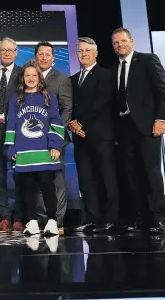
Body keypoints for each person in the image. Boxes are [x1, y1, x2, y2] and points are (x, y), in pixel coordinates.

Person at [112, 27, 165, 234]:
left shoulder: (147, 60)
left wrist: (161, 119)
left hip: (148, 126)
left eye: (123, 41)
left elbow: (163, 90)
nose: (120, 45)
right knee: (131, 174)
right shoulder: (114, 67)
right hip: (125, 128)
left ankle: (156, 218)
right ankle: (139, 217)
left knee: (151, 172)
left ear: (132, 41)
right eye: (116, 43)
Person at [4, 60, 64, 236]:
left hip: (44, 150)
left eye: (34, 75)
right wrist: (10, 148)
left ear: (39, 77)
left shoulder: (49, 96)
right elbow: (12, 125)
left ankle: (52, 221)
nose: (31, 78)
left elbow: (56, 121)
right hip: (24, 151)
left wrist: (55, 145)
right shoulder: (16, 98)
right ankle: (32, 222)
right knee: (28, 188)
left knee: (47, 185)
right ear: (23, 78)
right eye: (27, 75)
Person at [69, 37, 118, 234]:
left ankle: (110, 219)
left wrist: (81, 122)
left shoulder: (106, 75)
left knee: (107, 178)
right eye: (80, 51)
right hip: (80, 138)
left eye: (88, 50)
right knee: (86, 179)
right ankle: (91, 218)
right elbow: (69, 106)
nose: (84, 54)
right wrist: (72, 123)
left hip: (101, 135)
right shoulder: (72, 79)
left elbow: (101, 103)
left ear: (96, 53)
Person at [34, 42, 72, 235]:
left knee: (56, 181)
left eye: (47, 54)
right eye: (41, 54)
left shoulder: (62, 79)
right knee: (39, 182)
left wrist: (55, 134)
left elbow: (67, 110)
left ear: (53, 57)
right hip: (33, 141)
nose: (44, 57)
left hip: (54, 139)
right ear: (35, 56)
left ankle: (57, 221)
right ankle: (42, 221)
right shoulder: (29, 77)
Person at [0, 37, 23, 233]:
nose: (7, 53)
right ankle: (4, 217)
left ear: (16, 52)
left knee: (19, 174)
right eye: (3, 50)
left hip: (16, 129)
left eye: (11, 50)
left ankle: (19, 217)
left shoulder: (23, 73)